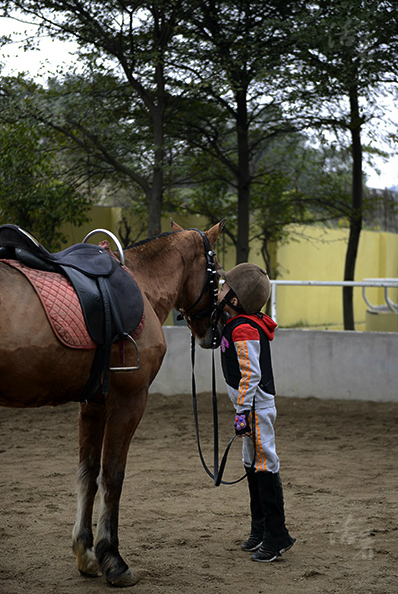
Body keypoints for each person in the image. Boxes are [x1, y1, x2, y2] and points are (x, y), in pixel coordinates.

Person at [216, 262, 295, 563]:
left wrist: (242, 411)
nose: (220, 292)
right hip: (248, 407)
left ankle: (277, 536)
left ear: (235, 300)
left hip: (254, 407)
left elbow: (251, 374)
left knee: (264, 463)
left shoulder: (246, 328)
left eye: (224, 289)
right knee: (251, 462)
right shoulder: (236, 323)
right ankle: (260, 529)